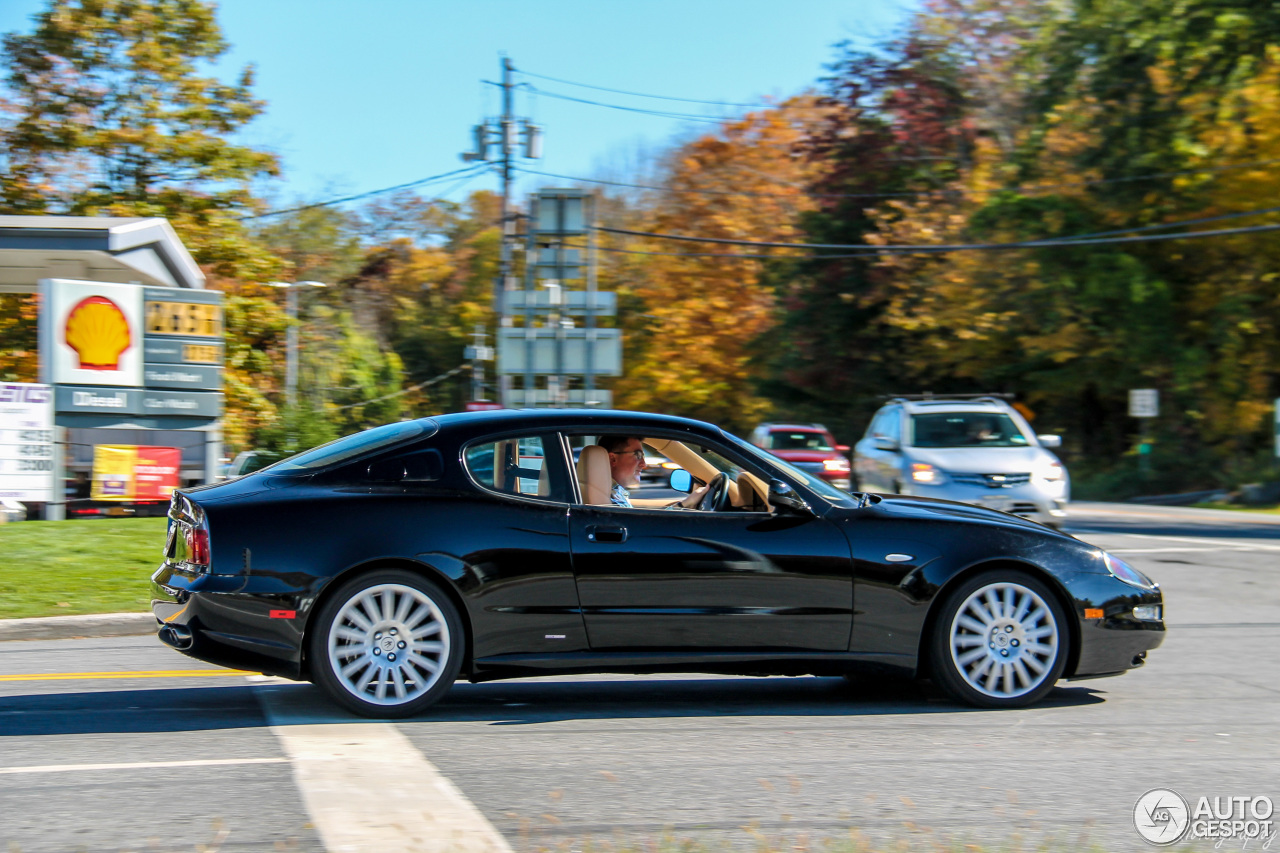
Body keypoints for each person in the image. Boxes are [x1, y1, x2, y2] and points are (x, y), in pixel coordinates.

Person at [596, 434, 646, 507]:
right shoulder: (612, 500)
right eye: (638, 455)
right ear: (612, 459)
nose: (644, 464)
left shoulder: (610, 494)